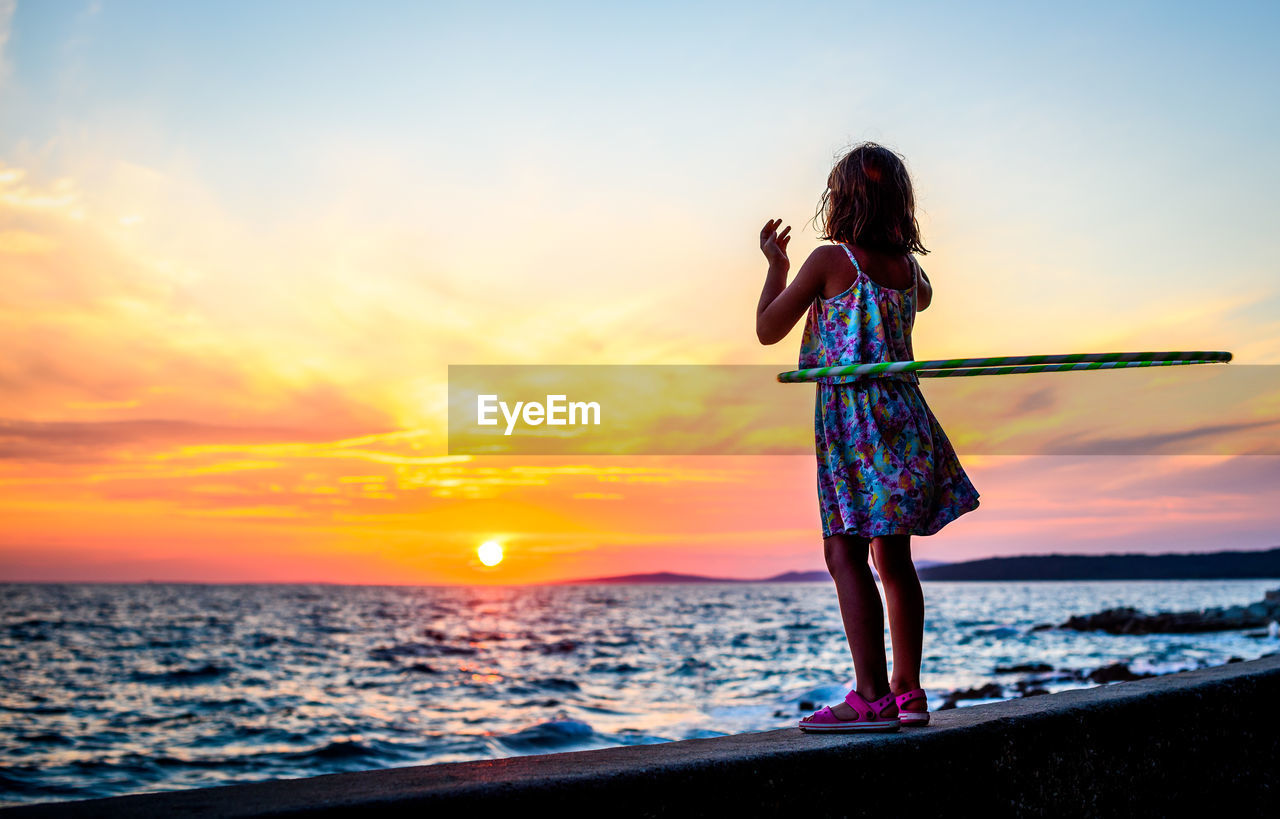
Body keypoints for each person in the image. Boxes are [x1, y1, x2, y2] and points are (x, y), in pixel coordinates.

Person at [755, 142, 980, 732]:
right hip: (906, 419)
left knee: (843, 551)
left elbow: (767, 330)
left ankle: (870, 696)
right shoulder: (912, 273)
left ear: (842, 200)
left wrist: (778, 268)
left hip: (854, 423)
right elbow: (920, 301)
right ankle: (909, 692)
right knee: (894, 555)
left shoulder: (831, 262)